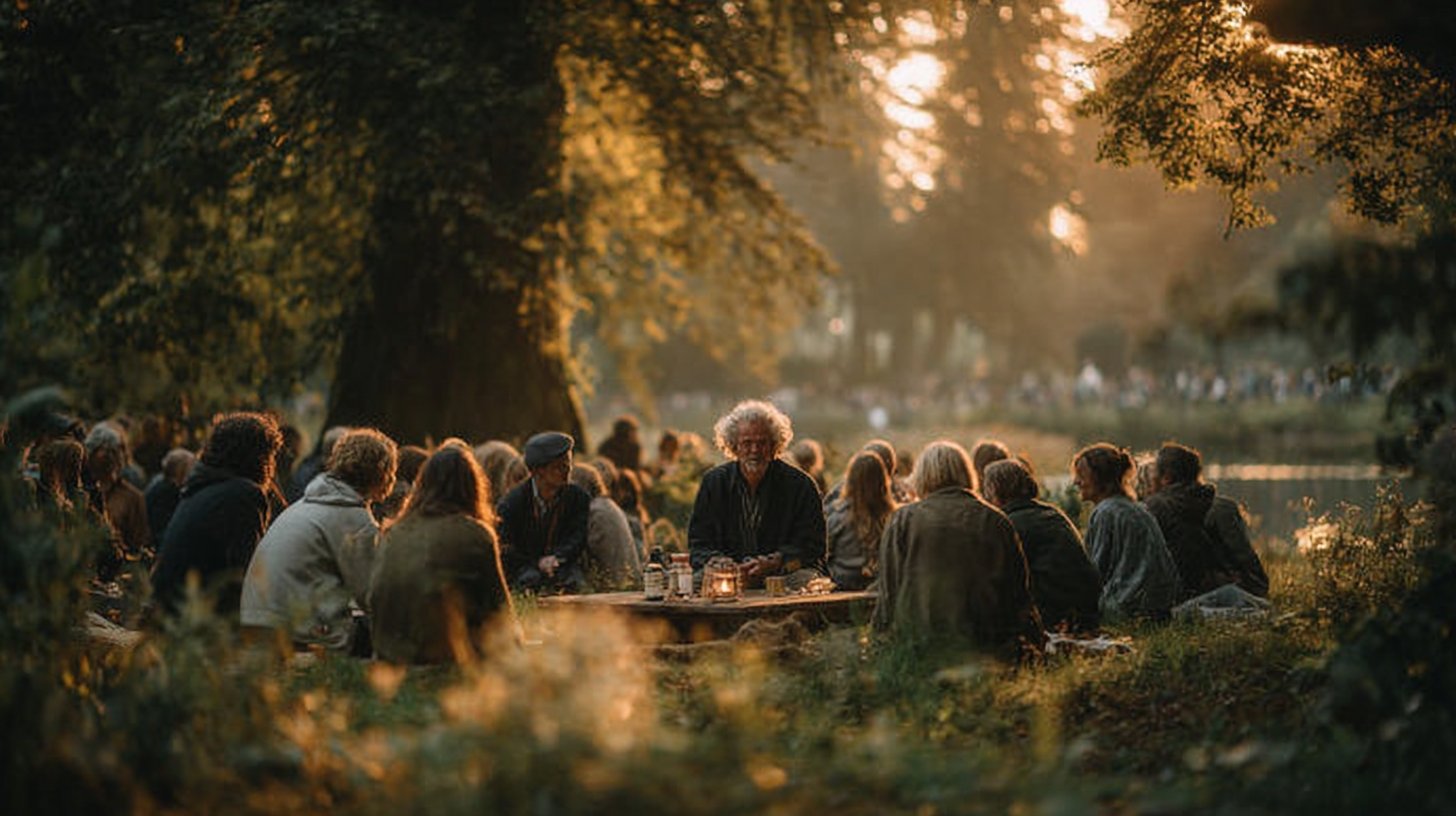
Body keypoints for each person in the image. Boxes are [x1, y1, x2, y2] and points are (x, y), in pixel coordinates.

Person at [873, 441, 1045, 657]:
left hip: (921, 650)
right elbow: (1018, 594)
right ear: (966, 473)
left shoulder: (902, 520)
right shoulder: (996, 520)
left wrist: (880, 645)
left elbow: (889, 592)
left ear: (922, 476)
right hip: (989, 651)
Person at [240, 428, 397, 653]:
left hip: (256, 621)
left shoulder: (304, 505)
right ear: (383, 472)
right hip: (301, 632)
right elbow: (373, 595)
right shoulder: (352, 516)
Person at [369, 441, 515, 665]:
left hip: (389, 658)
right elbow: (500, 612)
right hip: (443, 660)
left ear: (422, 483)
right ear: (473, 487)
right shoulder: (474, 534)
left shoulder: (393, 532)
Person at [151, 412, 283, 617]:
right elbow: (245, 576)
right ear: (259, 457)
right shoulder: (243, 495)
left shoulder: (200, 487)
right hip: (196, 620)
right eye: (271, 456)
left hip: (170, 613)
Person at [687, 400, 826, 587]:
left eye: (762, 443)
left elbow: (813, 547)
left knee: (807, 580)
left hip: (781, 576)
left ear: (774, 446)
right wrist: (719, 562)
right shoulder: (714, 483)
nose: (754, 450)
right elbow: (699, 543)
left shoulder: (801, 485)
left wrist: (776, 561)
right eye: (747, 443)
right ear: (734, 446)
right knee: (692, 583)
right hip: (727, 577)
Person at [982, 459, 1101, 633]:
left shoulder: (1009, 525)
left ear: (995, 490)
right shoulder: (1052, 513)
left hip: (1053, 617)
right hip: (1086, 612)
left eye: (987, 490)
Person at [1071, 443, 1181, 622]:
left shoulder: (1105, 512)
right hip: (1159, 608)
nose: (1076, 482)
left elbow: (1094, 576)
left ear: (1101, 478)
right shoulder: (1138, 508)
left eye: (1082, 475)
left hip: (1127, 608)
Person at [1147, 443, 1268, 598]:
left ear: (1166, 478)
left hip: (1177, 598)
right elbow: (1255, 576)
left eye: (1154, 472)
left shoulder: (1154, 508)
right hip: (1228, 591)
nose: (1151, 478)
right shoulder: (1223, 508)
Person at [496, 431, 590, 592]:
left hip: (561, 563)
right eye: (559, 467)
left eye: (568, 463)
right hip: (526, 567)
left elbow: (578, 536)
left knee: (576, 583)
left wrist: (556, 557)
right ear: (537, 471)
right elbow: (507, 549)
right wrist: (537, 562)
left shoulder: (578, 497)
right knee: (529, 582)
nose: (567, 469)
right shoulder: (511, 504)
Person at [824, 451, 897, 590]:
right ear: (883, 480)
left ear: (850, 480)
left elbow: (824, 554)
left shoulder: (837, 516)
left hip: (842, 587)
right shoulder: (894, 517)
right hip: (881, 587)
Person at [85, 426, 151, 570]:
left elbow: (139, 544)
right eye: (102, 450)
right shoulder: (81, 492)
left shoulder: (133, 498)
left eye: (113, 451)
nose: (108, 457)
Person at [570, 464, 642, 590]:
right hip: (627, 583)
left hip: (614, 588)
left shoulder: (594, 512)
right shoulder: (607, 505)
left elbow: (580, 555)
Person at [144, 448, 196, 544]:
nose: (193, 472)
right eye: (191, 467)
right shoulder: (166, 492)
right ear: (180, 470)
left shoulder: (162, 483)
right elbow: (161, 528)